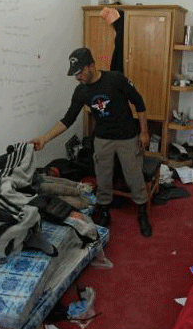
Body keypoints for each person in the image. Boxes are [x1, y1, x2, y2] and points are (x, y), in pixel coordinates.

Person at [29, 47, 153, 237]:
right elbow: (68, 120)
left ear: (91, 66)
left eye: (79, 72)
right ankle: (104, 212)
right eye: (74, 74)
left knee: (133, 176)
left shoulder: (116, 79)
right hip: (102, 138)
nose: (77, 77)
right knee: (102, 177)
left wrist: (144, 132)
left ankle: (142, 212)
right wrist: (44, 138)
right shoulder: (81, 92)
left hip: (127, 136)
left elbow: (140, 102)